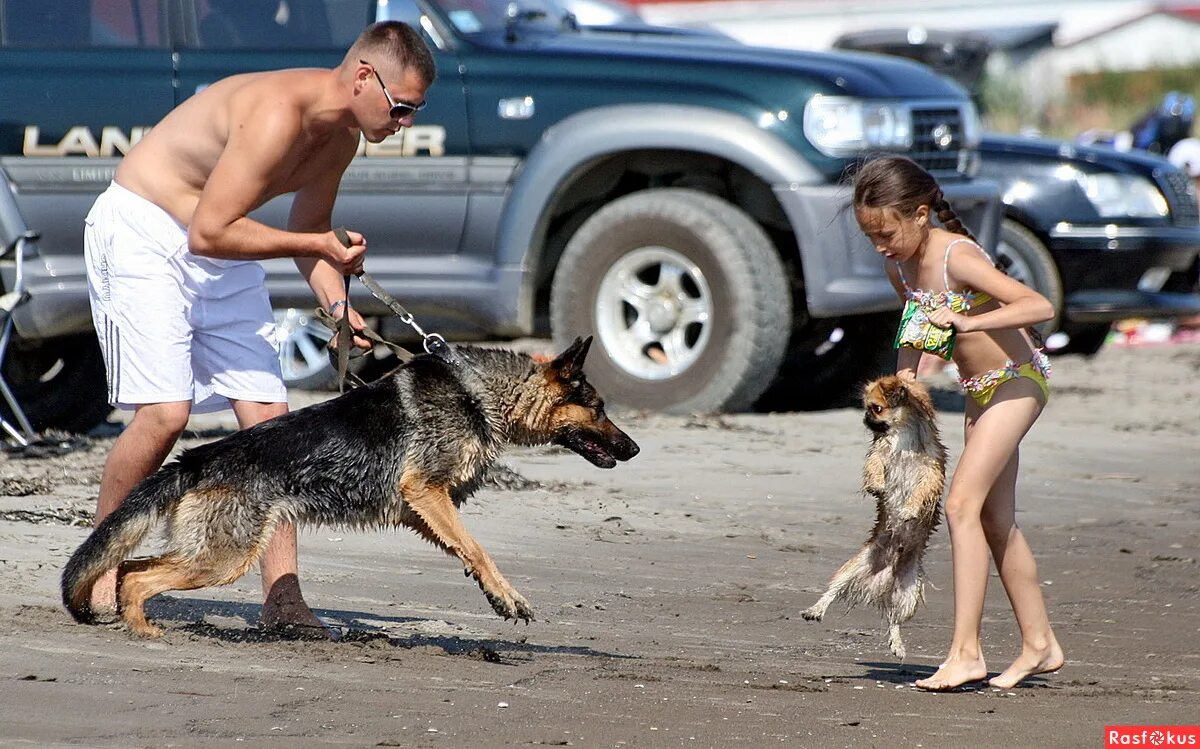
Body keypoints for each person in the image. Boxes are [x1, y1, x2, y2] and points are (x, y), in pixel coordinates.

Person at [82, 21, 436, 637]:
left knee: (272, 424)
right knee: (165, 413)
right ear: (363, 77)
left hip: (223, 242)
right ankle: (100, 564)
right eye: (401, 106)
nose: (404, 122)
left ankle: (284, 597)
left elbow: (308, 228)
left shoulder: (340, 139)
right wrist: (317, 245)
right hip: (144, 228)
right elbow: (211, 232)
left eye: (415, 111)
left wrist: (336, 305)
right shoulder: (276, 113)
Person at [852, 156, 1065, 691]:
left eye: (886, 233)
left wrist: (969, 321)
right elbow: (915, 327)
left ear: (921, 215)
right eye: (870, 236)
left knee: (960, 506)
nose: (879, 245)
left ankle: (966, 654)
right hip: (979, 393)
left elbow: (1038, 305)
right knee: (994, 519)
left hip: (1017, 382)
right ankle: (1040, 644)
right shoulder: (900, 266)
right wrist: (902, 385)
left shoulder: (957, 257)